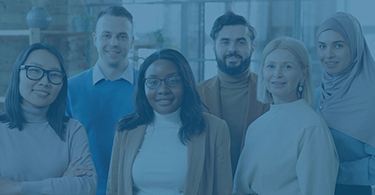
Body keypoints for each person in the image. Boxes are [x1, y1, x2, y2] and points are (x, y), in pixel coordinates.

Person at [107, 49, 232, 195]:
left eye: (172, 80)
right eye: (153, 82)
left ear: (186, 83)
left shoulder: (214, 129)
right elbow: (113, 189)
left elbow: (223, 190)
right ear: (143, 87)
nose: (163, 90)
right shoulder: (126, 130)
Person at [233, 37, 338, 195]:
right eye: (271, 66)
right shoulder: (256, 127)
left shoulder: (312, 128)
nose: (277, 74)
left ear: (303, 74)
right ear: (263, 71)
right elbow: (241, 189)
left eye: (287, 67)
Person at [0, 43, 97, 194]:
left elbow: (87, 186)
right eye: (35, 71)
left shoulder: (72, 129)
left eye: (54, 75)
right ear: (18, 73)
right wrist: (62, 183)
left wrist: (16, 188)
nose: (45, 82)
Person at [65, 5, 137, 194]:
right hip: (84, 190)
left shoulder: (149, 88)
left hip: (136, 189)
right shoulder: (70, 89)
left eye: (122, 36)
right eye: (106, 35)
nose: (114, 43)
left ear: (131, 42)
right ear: (95, 39)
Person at [196, 11, 269, 174]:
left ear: (252, 48)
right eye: (225, 42)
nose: (232, 49)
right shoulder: (195, 94)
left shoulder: (271, 92)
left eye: (240, 42)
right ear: (214, 47)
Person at [315, 12, 375, 195]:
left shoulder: (372, 96)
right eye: (322, 46)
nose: (328, 55)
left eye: (338, 45)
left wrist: (331, 172)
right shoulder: (315, 96)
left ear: (355, 47)